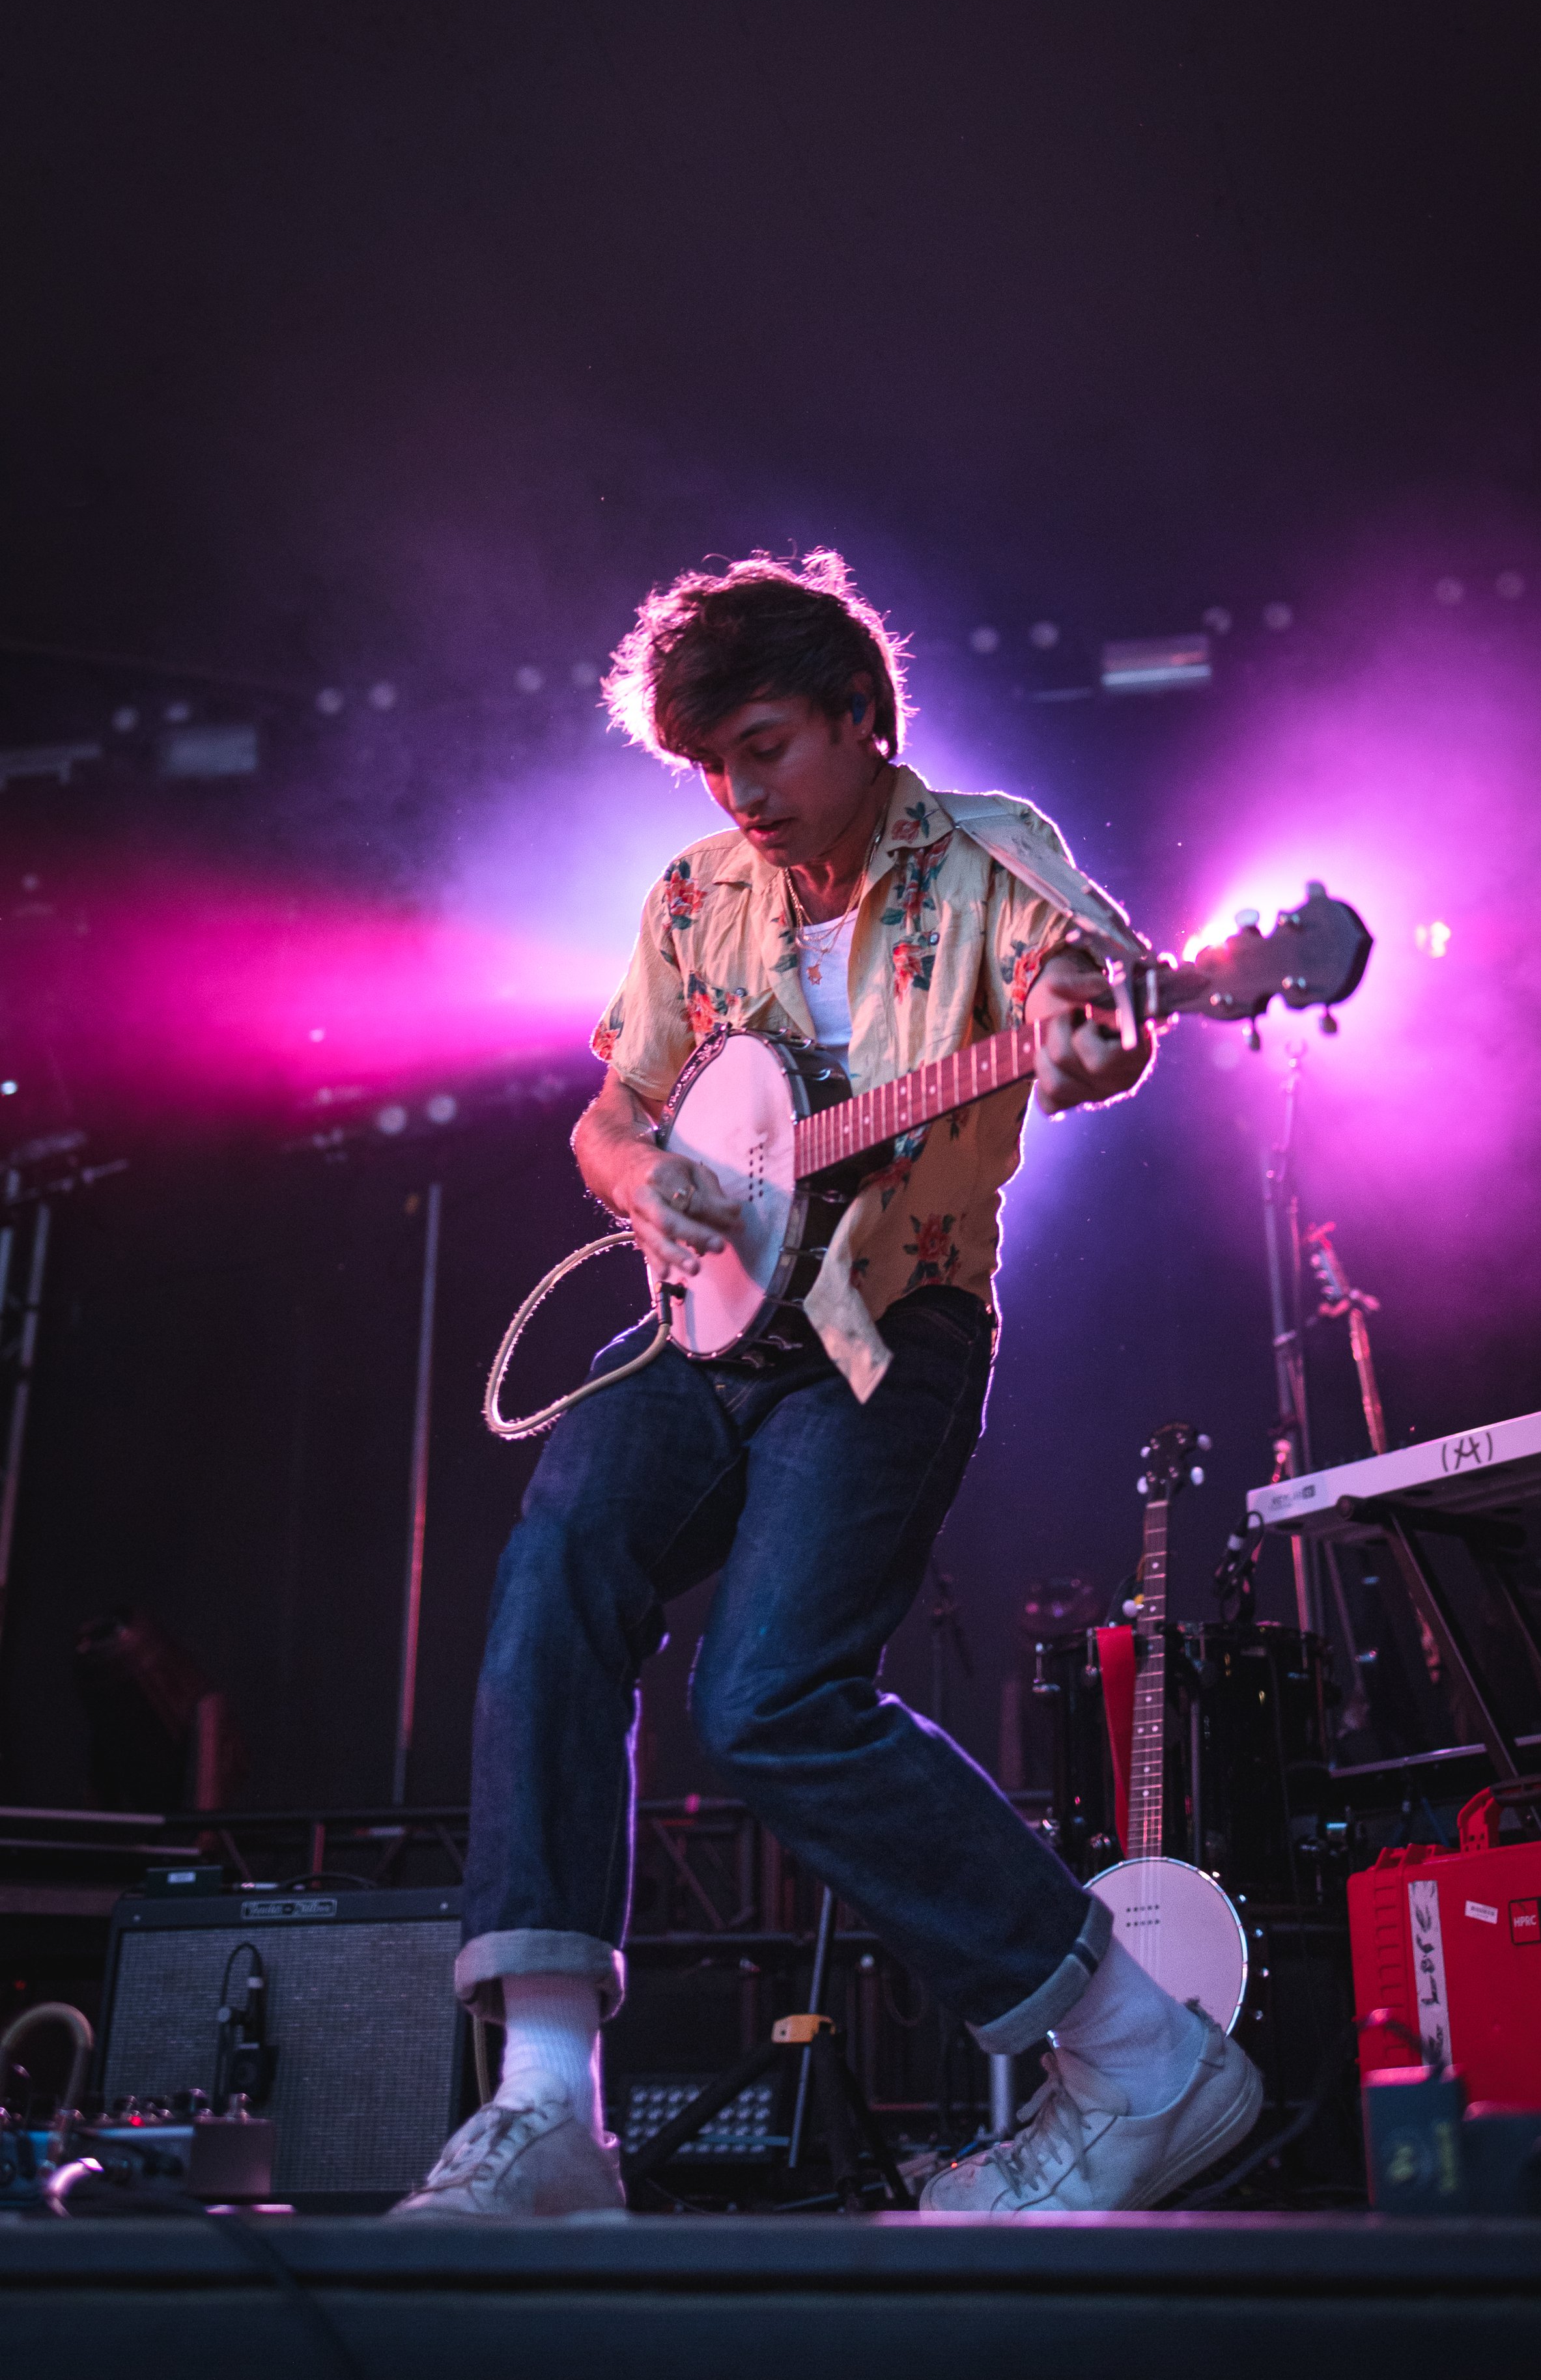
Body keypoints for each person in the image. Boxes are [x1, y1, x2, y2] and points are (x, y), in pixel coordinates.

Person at [394, 552, 1261, 2219]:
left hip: (887, 1334)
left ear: (865, 721)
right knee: (556, 1555)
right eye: (713, 759)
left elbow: (1094, 1013)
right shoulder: (688, 892)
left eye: (769, 744)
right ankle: (545, 2107)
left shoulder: (993, 856)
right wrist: (644, 1186)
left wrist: (1102, 1029)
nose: (741, 788)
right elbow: (609, 1116)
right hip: (700, 1329)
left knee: (772, 1697)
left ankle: (1136, 2048)